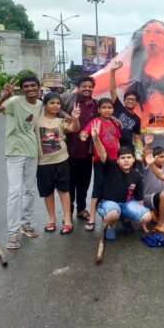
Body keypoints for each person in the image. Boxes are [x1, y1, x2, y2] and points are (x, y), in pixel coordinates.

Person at [0, 75, 43, 249]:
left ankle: (25, 223)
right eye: (26, 86)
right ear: (21, 89)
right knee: (15, 192)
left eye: (33, 85)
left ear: (38, 87)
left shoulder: (40, 104)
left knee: (29, 190)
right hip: (14, 152)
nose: (30, 88)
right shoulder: (14, 102)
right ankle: (13, 232)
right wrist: (4, 96)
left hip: (32, 151)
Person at [87, 122, 151, 241]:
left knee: (147, 216)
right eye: (122, 158)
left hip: (126, 204)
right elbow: (102, 154)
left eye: (129, 157)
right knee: (112, 214)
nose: (126, 160)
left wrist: (140, 219)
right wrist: (96, 139)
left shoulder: (137, 175)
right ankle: (110, 225)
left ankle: (124, 217)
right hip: (107, 203)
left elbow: (140, 198)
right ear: (117, 160)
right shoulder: (111, 166)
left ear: (133, 159)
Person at [36, 93, 81, 235]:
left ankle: (67, 220)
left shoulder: (60, 121)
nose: (55, 105)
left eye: (58, 103)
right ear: (45, 105)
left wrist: (75, 118)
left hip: (62, 161)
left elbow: (75, 129)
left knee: (64, 191)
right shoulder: (37, 120)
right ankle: (52, 219)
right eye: (52, 103)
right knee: (47, 192)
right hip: (43, 163)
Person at [79, 98, 121, 231]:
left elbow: (117, 141)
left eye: (109, 108)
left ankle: (108, 215)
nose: (107, 110)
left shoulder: (114, 123)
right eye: (104, 107)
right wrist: (83, 136)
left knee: (111, 187)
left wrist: (120, 158)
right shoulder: (95, 122)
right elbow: (84, 133)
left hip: (114, 161)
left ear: (113, 110)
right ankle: (92, 218)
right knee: (98, 187)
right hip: (100, 160)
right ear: (99, 109)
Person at [61, 76, 98, 222]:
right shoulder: (68, 99)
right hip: (68, 151)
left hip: (87, 152)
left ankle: (81, 209)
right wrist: (65, 114)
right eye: (84, 86)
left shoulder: (95, 104)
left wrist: (113, 118)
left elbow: (104, 115)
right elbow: (52, 106)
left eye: (90, 86)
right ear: (78, 87)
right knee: (69, 184)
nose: (87, 89)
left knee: (84, 184)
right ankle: (68, 212)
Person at [109, 60, 142, 157]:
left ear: (137, 102)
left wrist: (139, 154)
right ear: (124, 100)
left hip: (127, 150)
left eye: (133, 100)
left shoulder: (137, 119)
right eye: (128, 99)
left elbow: (137, 138)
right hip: (113, 145)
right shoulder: (118, 106)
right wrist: (112, 71)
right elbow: (112, 90)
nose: (130, 101)